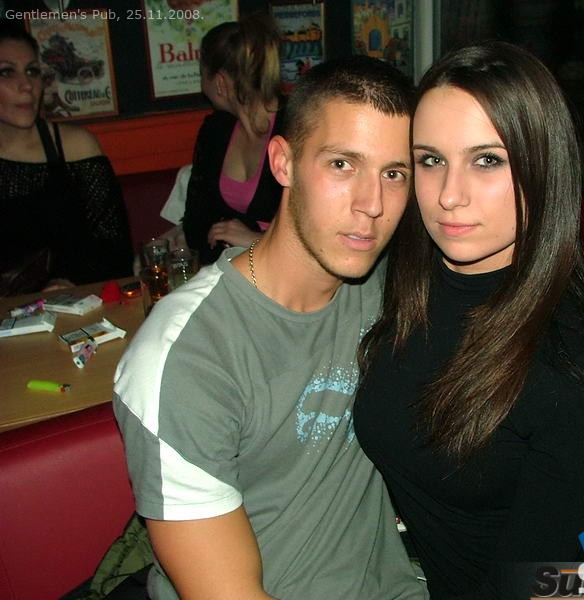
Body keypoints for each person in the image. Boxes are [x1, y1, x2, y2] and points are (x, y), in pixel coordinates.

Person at [113, 56, 427, 600]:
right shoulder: (185, 358)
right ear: (282, 162)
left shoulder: (392, 289)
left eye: (394, 174)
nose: (372, 205)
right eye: (342, 164)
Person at [354, 41, 584, 599]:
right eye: (431, 160)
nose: (449, 196)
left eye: (487, 160)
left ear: (542, 168)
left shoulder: (574, 374)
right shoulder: (400, 285)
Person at [0, 21, 132, 295]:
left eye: (32, 71)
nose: (26, 86)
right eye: (7, 72)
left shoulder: (74, 147)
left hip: (71, 305)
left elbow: (115, 252)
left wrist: (69, 282)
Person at [182, 10, 285, 265]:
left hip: (288, 274)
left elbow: (317, 230)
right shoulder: (216, 130)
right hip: (230, 270)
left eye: (202, 75)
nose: (201, 85)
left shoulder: (296, 127)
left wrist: (256, 239)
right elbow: (196, 225)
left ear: (219, 83)